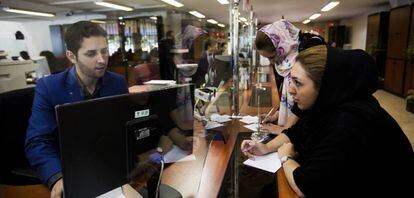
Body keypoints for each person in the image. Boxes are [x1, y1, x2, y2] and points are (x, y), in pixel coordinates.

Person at [241, 45, 414, 196]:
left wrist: (286, 159)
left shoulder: (352, 122)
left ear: (325, 86)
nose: (291, 90)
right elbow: (296, 133)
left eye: (298, 83)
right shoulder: (326, 104)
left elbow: (306, 186)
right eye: (291, 81)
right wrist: (266, 148)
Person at [25, 21, 129, 198]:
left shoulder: (117, 82)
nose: (102, 59)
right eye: (91, 54)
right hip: (71, 169)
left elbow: (124, 127)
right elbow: (38, 142)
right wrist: (57, 177)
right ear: (72, 56)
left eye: (104, 50)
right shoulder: (49, 87)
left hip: (108, 168)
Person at [255, 19, 325, 135]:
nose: (271, 62)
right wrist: (277, 115)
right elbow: (286, 94)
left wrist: (287, 129)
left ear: (282, 46)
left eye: (272, 57)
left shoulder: (310, 48)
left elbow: (307, 96)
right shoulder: (283, 60)